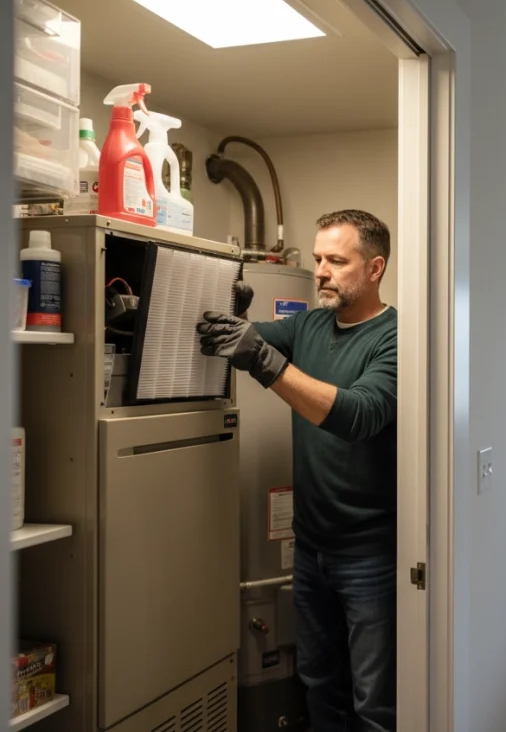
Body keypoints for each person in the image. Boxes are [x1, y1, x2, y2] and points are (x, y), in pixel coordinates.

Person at [196, 210, 398, 732]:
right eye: (317, 259)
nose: (322, 272)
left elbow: (358, 414)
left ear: (374, 268)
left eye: (337, 261)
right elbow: (238, 338)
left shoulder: (396, 337)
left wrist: (265, 361)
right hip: (310, 549)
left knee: (375, 702)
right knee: (318, 684)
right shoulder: (309, 325)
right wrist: (229, 311)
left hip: (370, 555)